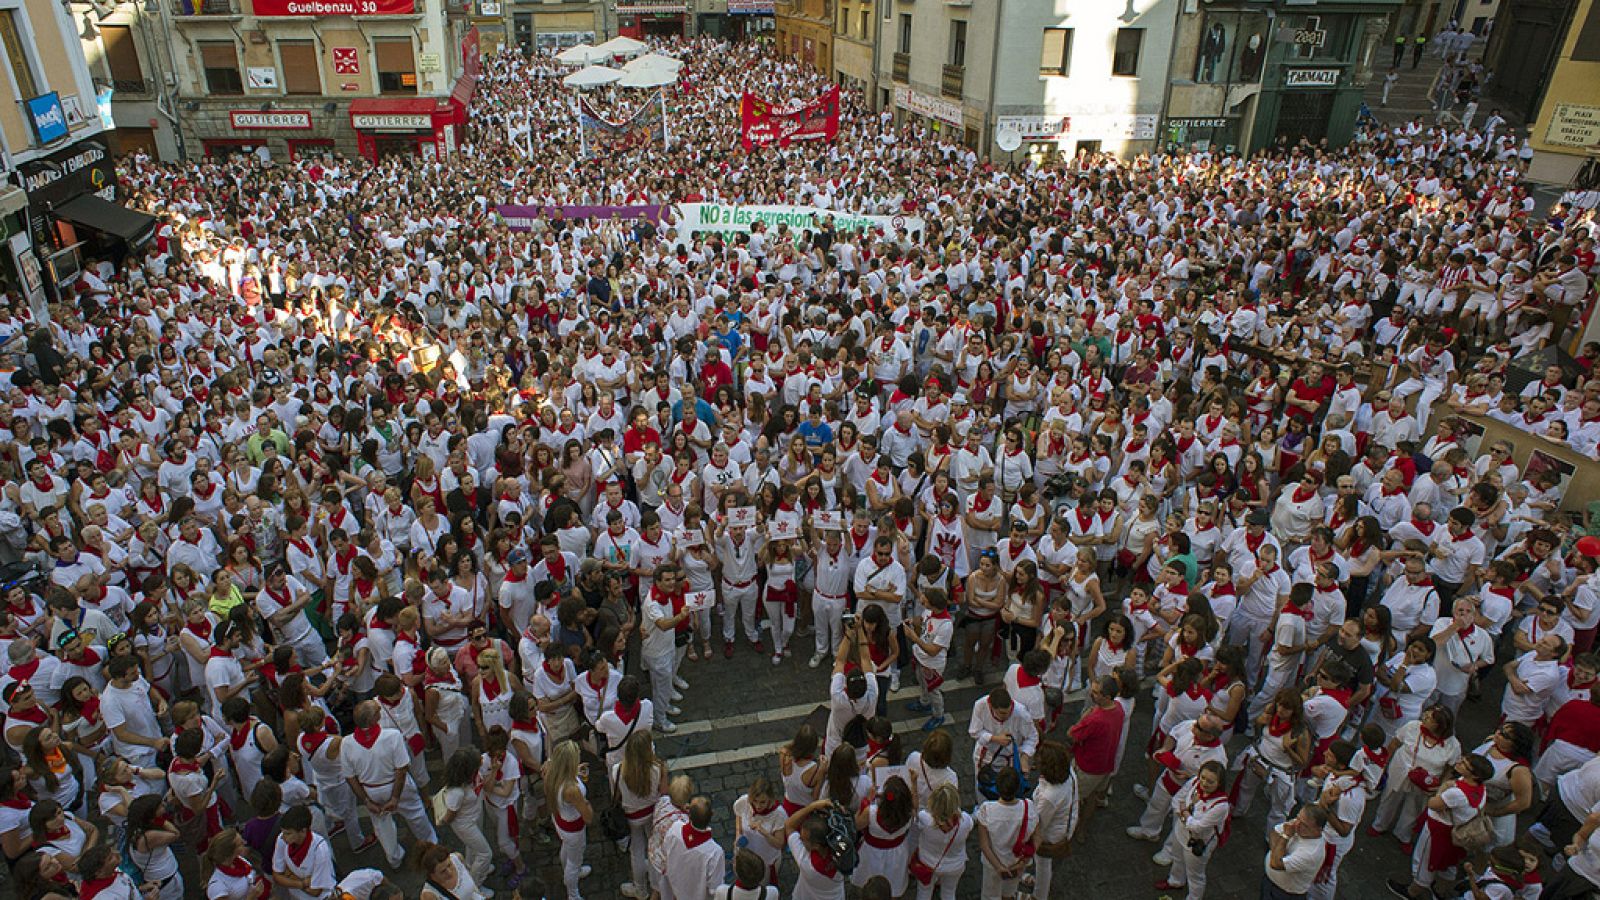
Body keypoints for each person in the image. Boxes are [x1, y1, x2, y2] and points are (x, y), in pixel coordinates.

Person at [1154, 759, 1230, 900]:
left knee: (1195, 874)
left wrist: (1184, 813)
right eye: (1203, 777)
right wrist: (1186, 816)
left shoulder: (1221, 806)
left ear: (1219, 783)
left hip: (1197, 841)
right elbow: (1178, 799)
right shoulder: (1195, 781)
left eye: (1210, 781)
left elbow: (1198, 828)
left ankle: (1194, 897)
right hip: (1181, 831)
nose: (1204, 783)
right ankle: (1175, 881)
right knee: (1177, 858)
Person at [975, 766, 1034, 900]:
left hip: (992, 864)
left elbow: (984, 844)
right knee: (1008, 894)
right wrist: (1023, 862)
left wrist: (998, 867)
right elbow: (1035, 836)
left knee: (990, 895)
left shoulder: (986, 809)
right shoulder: (1029, 807)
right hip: (1016, 863)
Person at [546, 740, 592, 900]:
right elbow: (588, 817)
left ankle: (568, 870)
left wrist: (575, 772)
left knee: (567, 849)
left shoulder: (550, 772)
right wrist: (587, 803)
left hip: (560, 820)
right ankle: (573, 894)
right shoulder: (572, 789)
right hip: (573, 828)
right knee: (574, 861)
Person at [663, 796, 726, 900]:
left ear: (689, 814)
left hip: (676, 891)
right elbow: (715, 888)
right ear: (712, 814)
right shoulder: (715, 852)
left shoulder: (675, 829)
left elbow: (665, 851)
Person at [1262, 804, 1331, 900]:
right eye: (1298, 818)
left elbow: (1275, 864)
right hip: (1269, 882)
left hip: (1284, 894)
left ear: (1318, 829)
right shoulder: (1299, 824)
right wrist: (1277, 853)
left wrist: (1285, 836)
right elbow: (1274, 832)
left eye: (1304, 825)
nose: (1297, 825)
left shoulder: (1311, 853)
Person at [270, 805, 336, 900]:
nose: (283, 837)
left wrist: (289, 875)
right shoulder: (282, 839)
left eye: (288, 833)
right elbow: (277, 876)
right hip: (295, 896)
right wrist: (303, 883)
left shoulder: (320, 849)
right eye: (283, 832)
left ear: (303, 831)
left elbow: (316, 891)